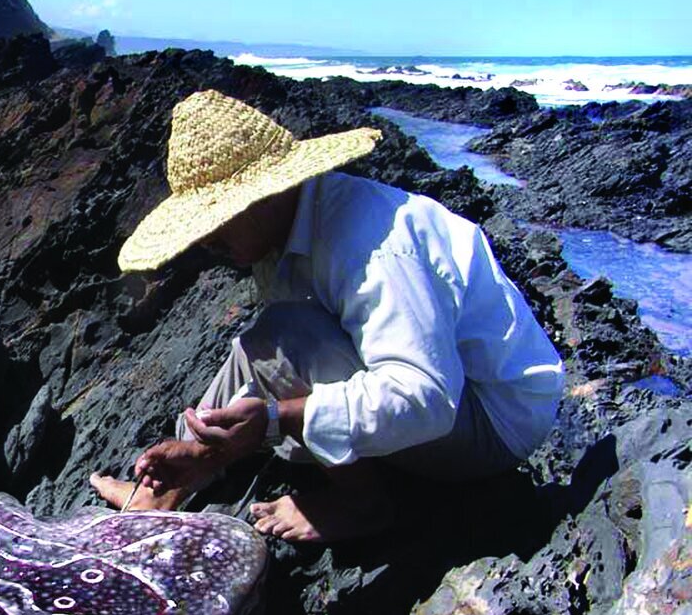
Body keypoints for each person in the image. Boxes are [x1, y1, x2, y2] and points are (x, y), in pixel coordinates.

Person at [89, 90, 564, 542]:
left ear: (265, 195)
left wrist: (277, 418)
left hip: (491, 421)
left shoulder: (370, 245)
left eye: (214, 220)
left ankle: (363, 505)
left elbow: (427, 398)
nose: (204, 240)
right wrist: (205, 447)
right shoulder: (289, 227)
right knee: (261, 344)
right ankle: (165, 488)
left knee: (288, 335)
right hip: (452, 400)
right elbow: (266, 356)